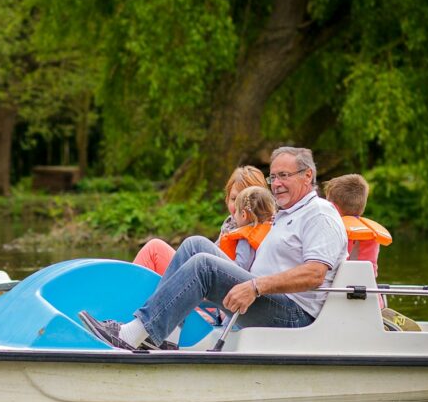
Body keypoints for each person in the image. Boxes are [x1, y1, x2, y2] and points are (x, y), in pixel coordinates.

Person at [80, 147, 347, 351]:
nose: (275, 183)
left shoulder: (318, 214)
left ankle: (131, 336)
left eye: (284, 176)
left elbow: (314, 274)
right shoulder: (289, 213)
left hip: (294, 314)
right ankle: (164, 339)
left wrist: (255, 287)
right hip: (271, 299)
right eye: (273, 177)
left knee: (204, 266)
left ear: (307, 176)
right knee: (195, 245)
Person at [133, 166, 267, 275]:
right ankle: (128, 300)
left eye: (244, 201)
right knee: (154, 248)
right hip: (201, 275)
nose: (238, 206)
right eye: (234, 199)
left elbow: (239, 274)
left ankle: (131, 301)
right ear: (227, 199)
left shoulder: (250, 234)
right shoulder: (231, 225)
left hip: (209, 289)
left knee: (178, 246)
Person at [323, 174, 391, 277]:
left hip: (335, 288)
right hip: (368, 288)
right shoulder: (370, 233)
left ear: (333, 206)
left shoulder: (329, 228)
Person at [218, 185, 278, 270]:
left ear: (243, 215)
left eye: (236, 211)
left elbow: (241, 266)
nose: (234, 215)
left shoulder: (246, 238)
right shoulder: (273, 229)